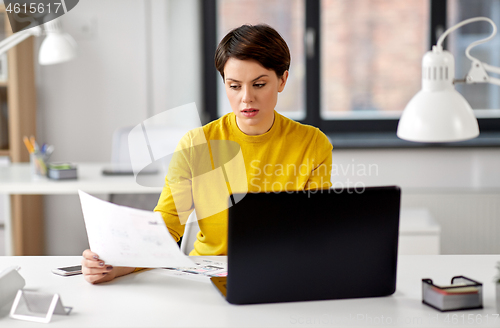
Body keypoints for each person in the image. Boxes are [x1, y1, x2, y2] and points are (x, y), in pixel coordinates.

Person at [82, 24, 333, 284]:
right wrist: (118, 265)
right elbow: (166, 226)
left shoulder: (312, 144)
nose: (246, 98)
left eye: (259, 84)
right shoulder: (196, 144)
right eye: (234, 86)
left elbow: (315, 228)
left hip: (282, 271)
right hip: (209, 274)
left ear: (282, 80)